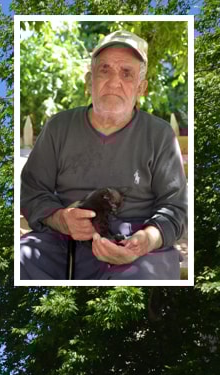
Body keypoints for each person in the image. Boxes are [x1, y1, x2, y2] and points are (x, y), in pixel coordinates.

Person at [19, 29, 187, 281]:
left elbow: (175, 208)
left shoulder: (159, 135)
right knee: (21, 260)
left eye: (127, 73)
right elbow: (32, 191)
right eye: (105, 70)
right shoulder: (59, 127)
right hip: (63, 239)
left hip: (136, 240)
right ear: (89, 82)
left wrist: (145, 240)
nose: (114, 81)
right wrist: (61, 219)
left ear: (142, 87)